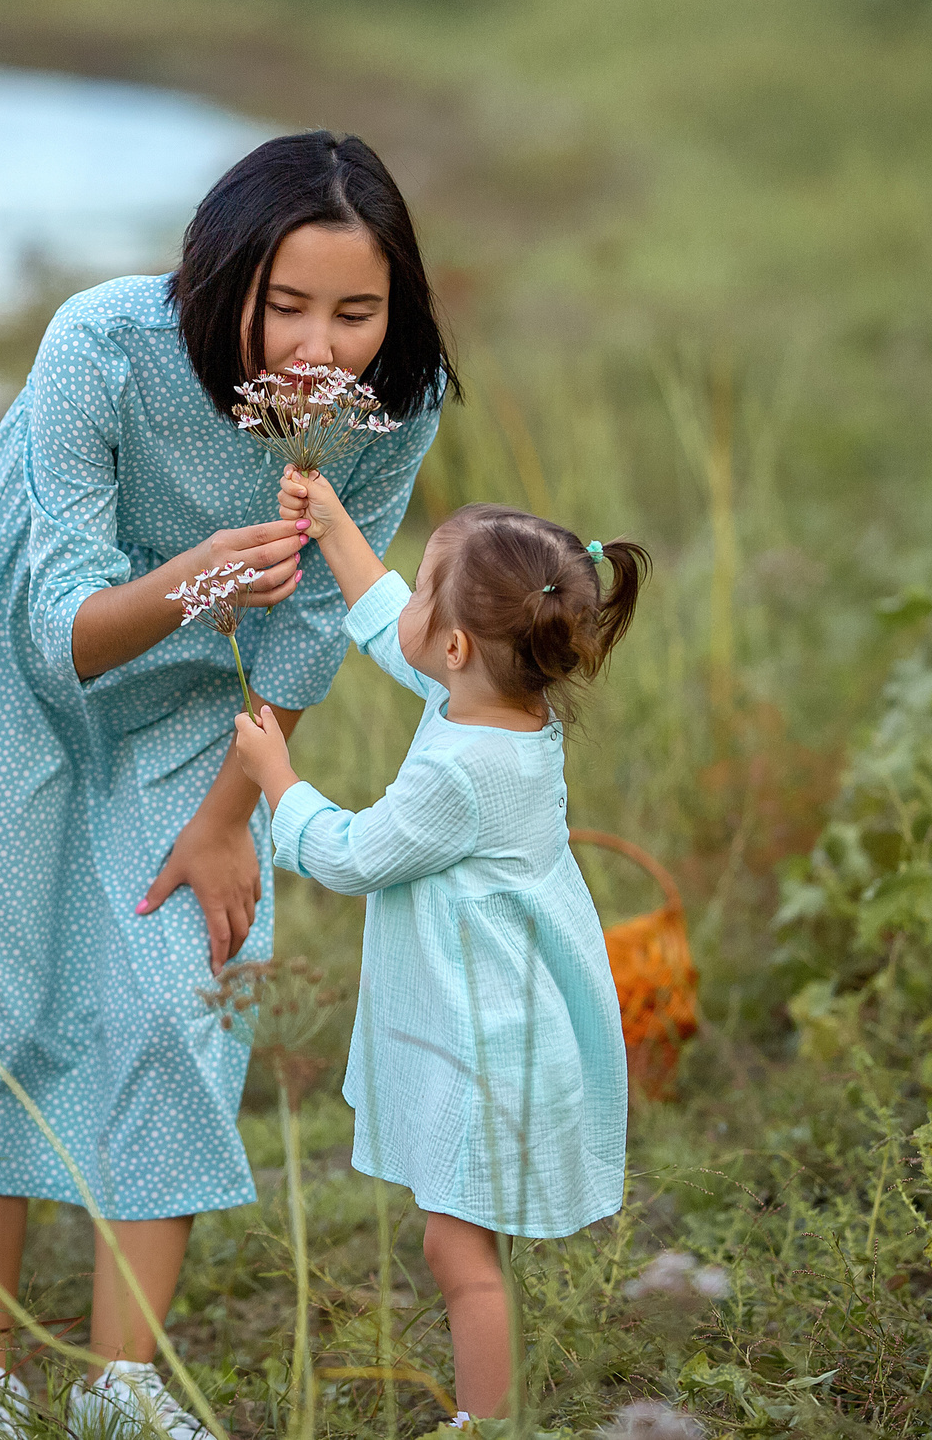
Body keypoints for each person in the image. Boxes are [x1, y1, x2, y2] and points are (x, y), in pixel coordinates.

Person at [0, 131, 458, 1437]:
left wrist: (235, 811)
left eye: (358, 311)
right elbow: (59, 622)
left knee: (186, 986)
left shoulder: (399, 402)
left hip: (206, 694)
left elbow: (308, 625)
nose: (321, 344)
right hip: (22, 657)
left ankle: (118, 1387)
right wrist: (199, 576)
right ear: (219, 272)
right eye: (286, 302)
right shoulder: (103, 341)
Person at [231, 470, 647, 1425]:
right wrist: (334, 528)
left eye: (424, 587)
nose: (406, 601)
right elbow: (394, 626)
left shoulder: (460, 771)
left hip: (484, 1040)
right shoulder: (500, 706)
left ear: (456, 644)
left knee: (463, 1261)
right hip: (499, 1019)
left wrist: (275, 776)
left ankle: (486, 1422)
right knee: (459, 1245)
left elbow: (350, 855)